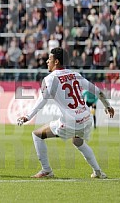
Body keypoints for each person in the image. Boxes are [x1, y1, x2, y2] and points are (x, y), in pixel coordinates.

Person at [17, 47, 114, 179]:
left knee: (37, 135)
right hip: (86, 118)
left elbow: (42, 100)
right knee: (78, 142)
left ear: (56, 62)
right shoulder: (75, 74)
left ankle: (46, 170)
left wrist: (28, 116)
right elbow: (97, 91)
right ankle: (98, 172)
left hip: (70, 121)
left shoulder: (50, 79)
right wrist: (108, 106)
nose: (47, 61)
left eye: (49, 59)